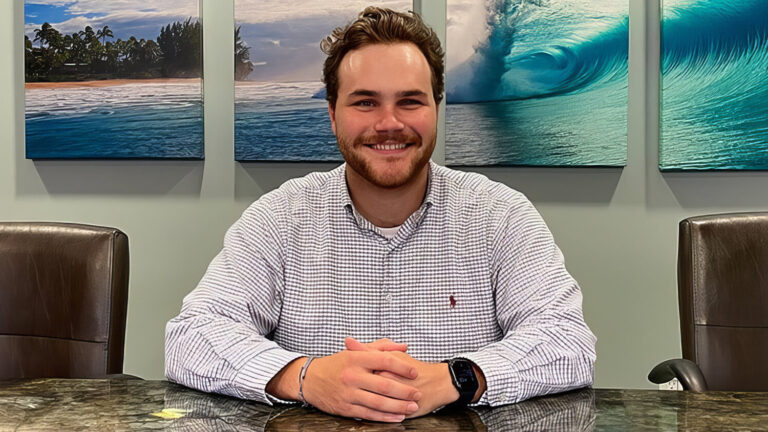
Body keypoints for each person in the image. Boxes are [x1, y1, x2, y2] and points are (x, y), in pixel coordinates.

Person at [165, 7, 596, 423]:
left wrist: (455, 378)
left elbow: (567, 341)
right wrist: (306, 377)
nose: (389, 123)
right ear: (333, 115)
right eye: (365, 103)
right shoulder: (279, 218)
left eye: (410, 101)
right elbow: (192, 337)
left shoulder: (502, 216)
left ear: (436, 110)